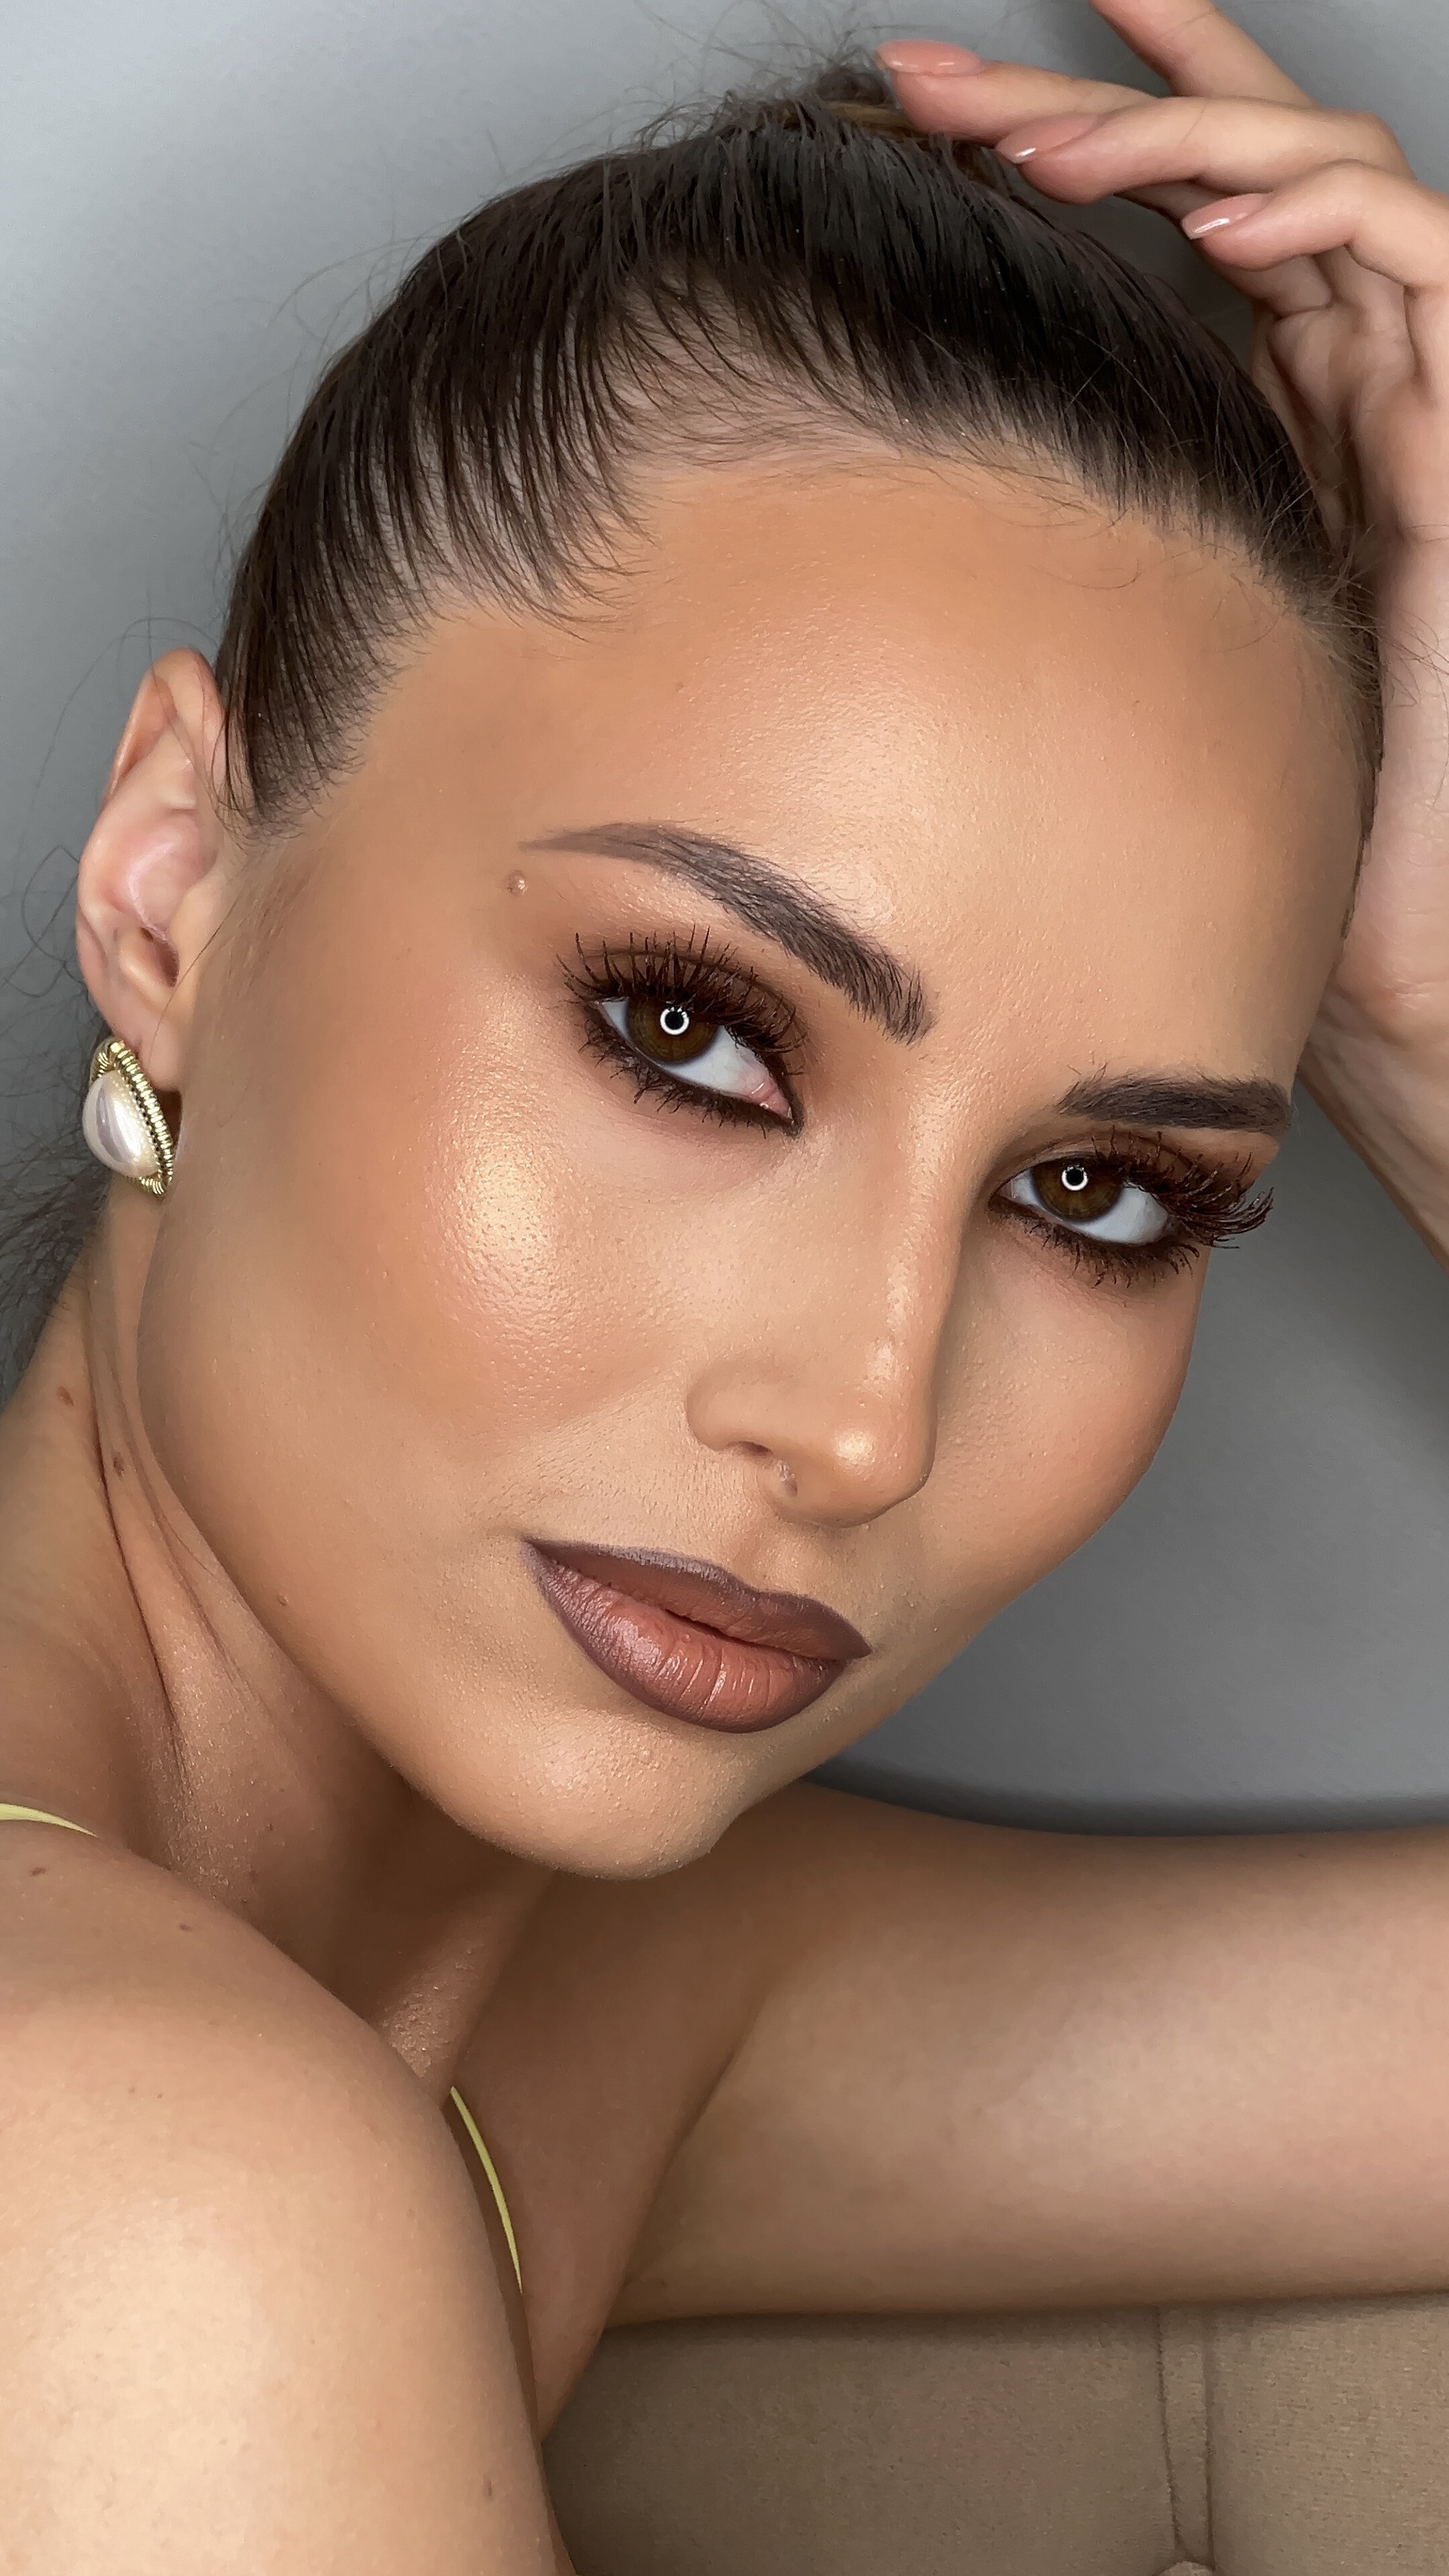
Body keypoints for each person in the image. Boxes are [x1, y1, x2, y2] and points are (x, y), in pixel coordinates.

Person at [2, 0, 1447, 2562]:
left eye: (1105, 1193)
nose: (865, 1422)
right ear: (174, 895)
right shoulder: (135, 2185)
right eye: (688, 1036)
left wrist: (1427, 1024)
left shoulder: (590, 2007)